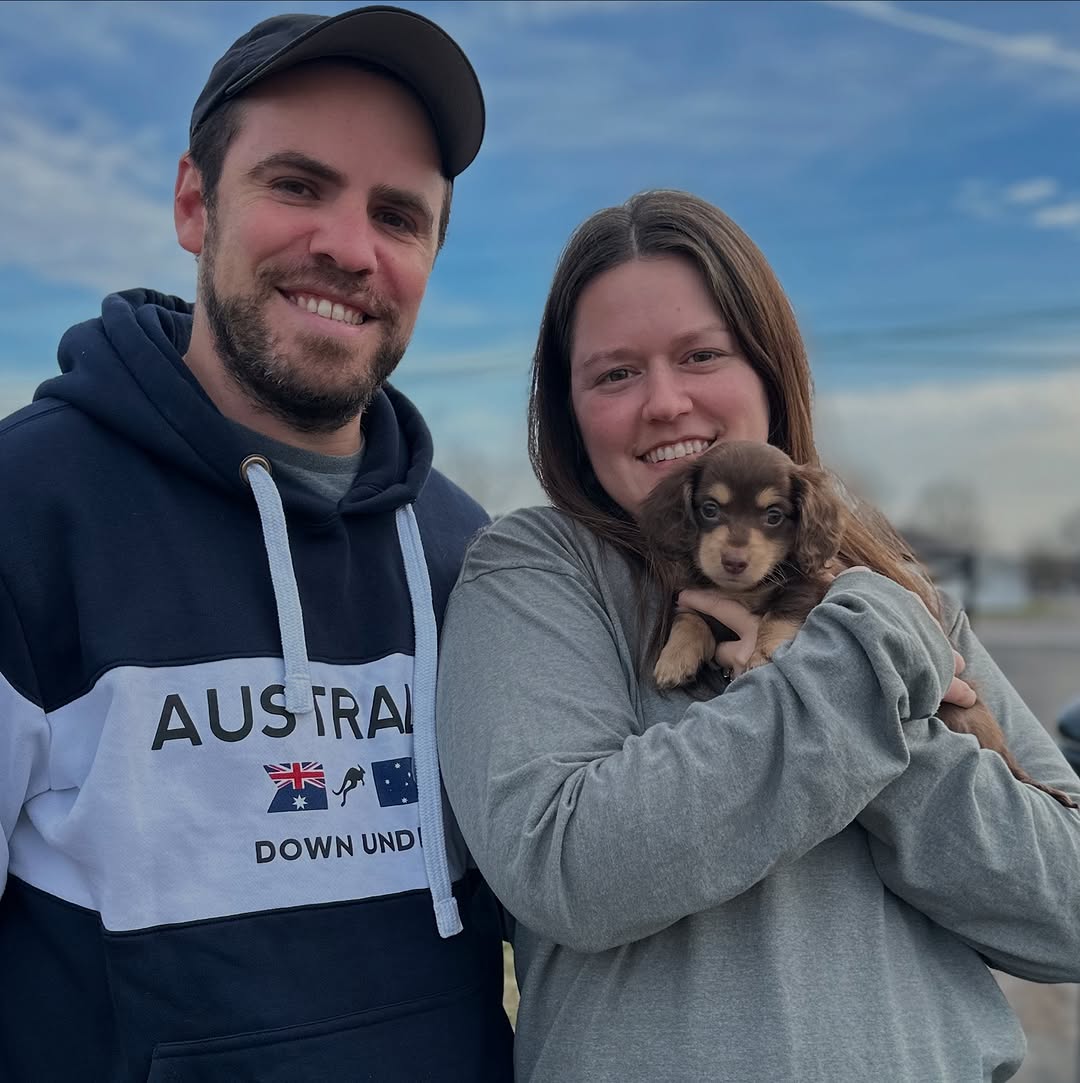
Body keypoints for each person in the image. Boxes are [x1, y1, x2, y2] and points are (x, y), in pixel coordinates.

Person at [436, 189, 1080, 1082]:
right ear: (569, 407)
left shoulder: (890, 589)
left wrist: (888, 715)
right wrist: (850, 685)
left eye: (702, 354)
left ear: (770, 370)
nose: (666, 401)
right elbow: (565, 868)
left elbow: (1068, 911)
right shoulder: (536, 570)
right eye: (615, 374)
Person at [0, 8, 513, 1080]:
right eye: (297, 185)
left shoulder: (473, 558)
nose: (349, 248)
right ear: (196, 204)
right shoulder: (27, 510)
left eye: (398, 215)